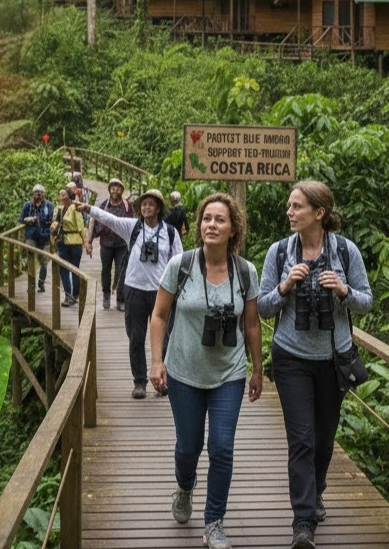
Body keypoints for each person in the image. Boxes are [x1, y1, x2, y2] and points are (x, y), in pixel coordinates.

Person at [256, 181, 372, 549]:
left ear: (318, 213)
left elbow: (365, 302)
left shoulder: (345, 251)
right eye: (289, 206)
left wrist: (342, 289)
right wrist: (287, 286)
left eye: (296, 207)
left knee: (323, 442)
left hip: (334, 360)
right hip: (291, 358)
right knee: (302, 441)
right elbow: (262, 306)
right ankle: (303, 522)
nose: (289, 213)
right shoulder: (278, 253)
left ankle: (316, 489)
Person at [149, 193, 263, 549]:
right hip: (184, 371)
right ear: (199, 226)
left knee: (222, 447)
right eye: (207, 219)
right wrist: (157, 360)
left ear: (233, 229)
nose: (212, 225)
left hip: (228, 373)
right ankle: (184, 487)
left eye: (220, 220)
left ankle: (214, 523)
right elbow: (159, 315)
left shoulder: (245, 272)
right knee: (188, 447)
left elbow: (253, 324)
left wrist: (258, 368)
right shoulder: (180, 265)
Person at [76, 188, 182, 397]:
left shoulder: (170, 232)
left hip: (161, 292)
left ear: (158, 208)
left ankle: (163, 379)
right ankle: (140, 381)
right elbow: (110, 219)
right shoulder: (132, 227)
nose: (146, 207)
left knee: (165, 337)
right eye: (143, 204)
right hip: (134, 289)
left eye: (151, 204)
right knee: (136, 337)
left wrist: (178, 289)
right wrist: (90, 209)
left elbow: (178, 261)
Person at [84, 177, 135, 310]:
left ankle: (120, 299)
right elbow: (95, 223)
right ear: (109, 190)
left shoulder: (128, 206)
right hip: (106, 243)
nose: (115, 190)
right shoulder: (103, 205)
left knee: (121, 271)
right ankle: (106, 294)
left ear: (122, 190)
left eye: (117, 187)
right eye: (112, 187)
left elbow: (132, 225)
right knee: (105, 270)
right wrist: (89, 242)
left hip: (122, 244)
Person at [52, 187, 86, 306]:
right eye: (60, 193)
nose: (61, 195)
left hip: (75, 242)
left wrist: (86, 243)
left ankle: (76, 293)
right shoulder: (60, 209)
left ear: (69, 195)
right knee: (63, 269)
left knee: (75, 268)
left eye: (64, 193)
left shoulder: (75, 207)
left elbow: (81, 226)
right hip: (63, 242)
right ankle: (68, 295)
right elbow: (55, 223)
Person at [19, 184, 54, 292]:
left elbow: (52, 220)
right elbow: (21, 219)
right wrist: (27, 219)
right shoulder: (28, 206)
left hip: (45, 236)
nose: (38, 194)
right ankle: (31, 285)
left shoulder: (49, 205)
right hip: (31, 236)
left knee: (44, 262)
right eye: (36, 192)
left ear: (44, 194)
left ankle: (41, 283)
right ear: (33, 194)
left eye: (40, 192)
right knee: (31, 261)